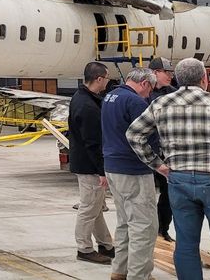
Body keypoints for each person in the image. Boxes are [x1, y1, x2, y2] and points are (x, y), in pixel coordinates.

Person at [127, 58, 210, 280]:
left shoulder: (160, 104)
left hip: (179, 180)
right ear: (204, 79)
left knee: (186, 244)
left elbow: (134, 134)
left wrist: (158, 165)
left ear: (178, 80)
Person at [101, 67, 159, 280]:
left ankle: (120, 270)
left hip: (113, 166)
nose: (149, 94)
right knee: (144, 225)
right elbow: (147, 136)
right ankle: (139, 275)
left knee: (125, 222)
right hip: (133, 169)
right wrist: (158, 161)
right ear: (145, 83)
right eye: (150, 89)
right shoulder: (135, 102)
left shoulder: (111, 96)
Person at [68, 61, 114, 265]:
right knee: (89, 208)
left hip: (85, 162)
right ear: (99, 79)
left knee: (95, 207)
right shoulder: (87, 106)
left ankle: (105, 244)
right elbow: (93, 143)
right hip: (89, 165)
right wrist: (102, 170)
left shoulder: (82, 97)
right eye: (107, 77)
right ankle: (84, 249)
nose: (108, 81)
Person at [148, 56, 176, 242]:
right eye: (167, 72)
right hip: (147, 152)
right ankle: (148, 233)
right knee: (146, 195)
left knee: (169, 193)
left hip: (167, 152)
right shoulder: (144, 93)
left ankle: (162, 230)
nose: (170, 76)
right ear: (155, 73)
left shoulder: (173, 93)